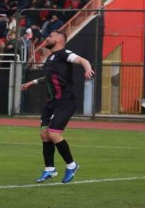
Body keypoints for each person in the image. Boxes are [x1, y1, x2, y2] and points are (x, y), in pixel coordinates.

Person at [20, 30, 94, 184]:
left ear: (60, 40)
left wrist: (87, 69)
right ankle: (50, 169)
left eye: (51, 36)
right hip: (52, 102)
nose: (47, 38)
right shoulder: (51, 58)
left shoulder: (64, 54)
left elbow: (83, 60)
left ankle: (72, 165)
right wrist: (33, 82)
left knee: (53, 134)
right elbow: (49, 77)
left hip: (65, 100)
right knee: (44, 134)